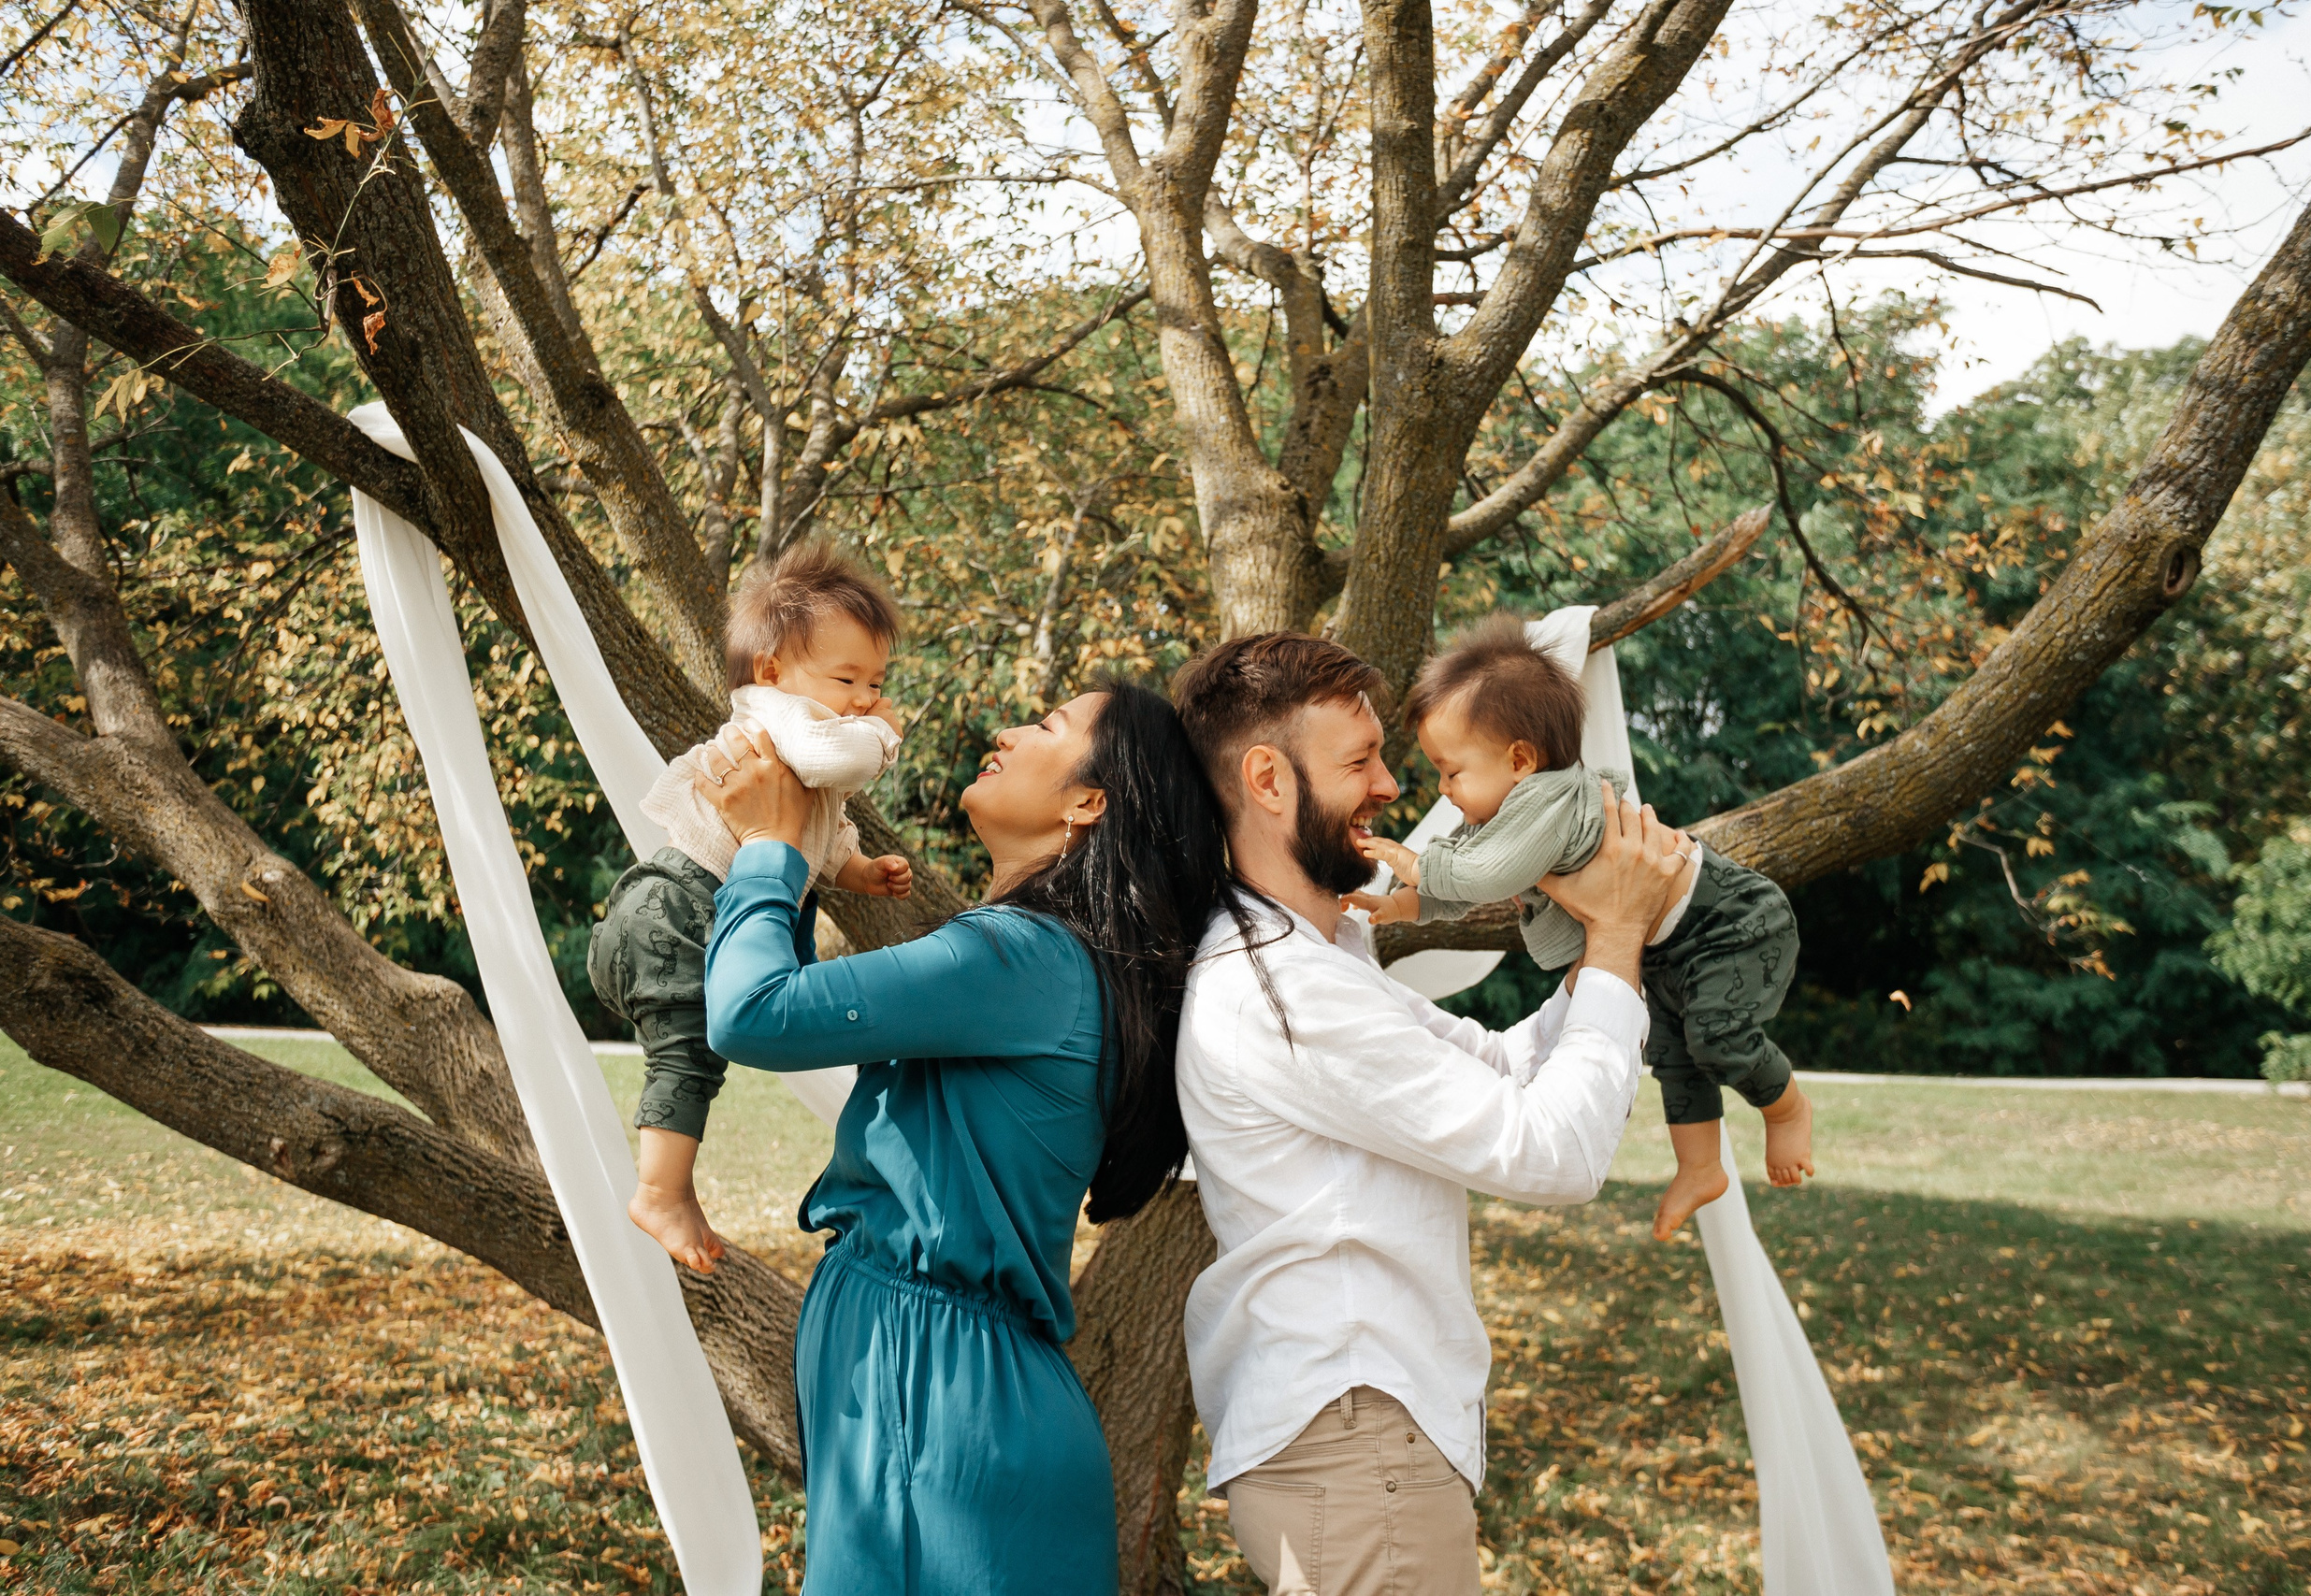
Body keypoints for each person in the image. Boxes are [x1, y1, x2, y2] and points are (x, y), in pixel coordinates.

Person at [1170, 631, 1695, 1596]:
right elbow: (1551, 1154)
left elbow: (1498, 1066)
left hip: (1354, 1440)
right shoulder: (1281, 991)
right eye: (1359, 761)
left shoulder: (1321, 959)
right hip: (1356, 1446)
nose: (1389, 790)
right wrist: (1618, 935)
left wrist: (1608, 943)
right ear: (1267, 781)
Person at [699, 679, 1235, 1594]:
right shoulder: (1043, 960)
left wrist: (768, 848)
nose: (1006, 728)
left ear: (1087, 802)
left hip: (936, 1394)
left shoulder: (1023, 958)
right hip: (952, 1391)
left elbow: (753, 1011)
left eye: (1049, 725)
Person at [1348, 613, 1815, 1240]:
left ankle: (1786, 1108)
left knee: (1718, 1038)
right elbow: (1462, 875)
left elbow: (1481, 875)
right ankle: (1701, 1166)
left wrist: (1412, 861)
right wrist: (1403, 906)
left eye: (1451, 771)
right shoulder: (1499, 811)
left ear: (1520, 759)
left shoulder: (1547, 799)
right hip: (1666, 940)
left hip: (1726, 920)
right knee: (1674, 1053)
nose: (1443, 788)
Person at [587, 540, 916, 1276]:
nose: (866, 698)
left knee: (701, 1055)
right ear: (772, 671)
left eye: (877, 681)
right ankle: (658, 1190)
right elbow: (843, 764)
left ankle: (667, 1187)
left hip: (691, 912)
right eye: (848, 678)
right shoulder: (779, 719)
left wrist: (858, 871)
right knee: (689, 1058)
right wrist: (884, 733)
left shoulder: (798, 742)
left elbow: (819, 834)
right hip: (677, 909)